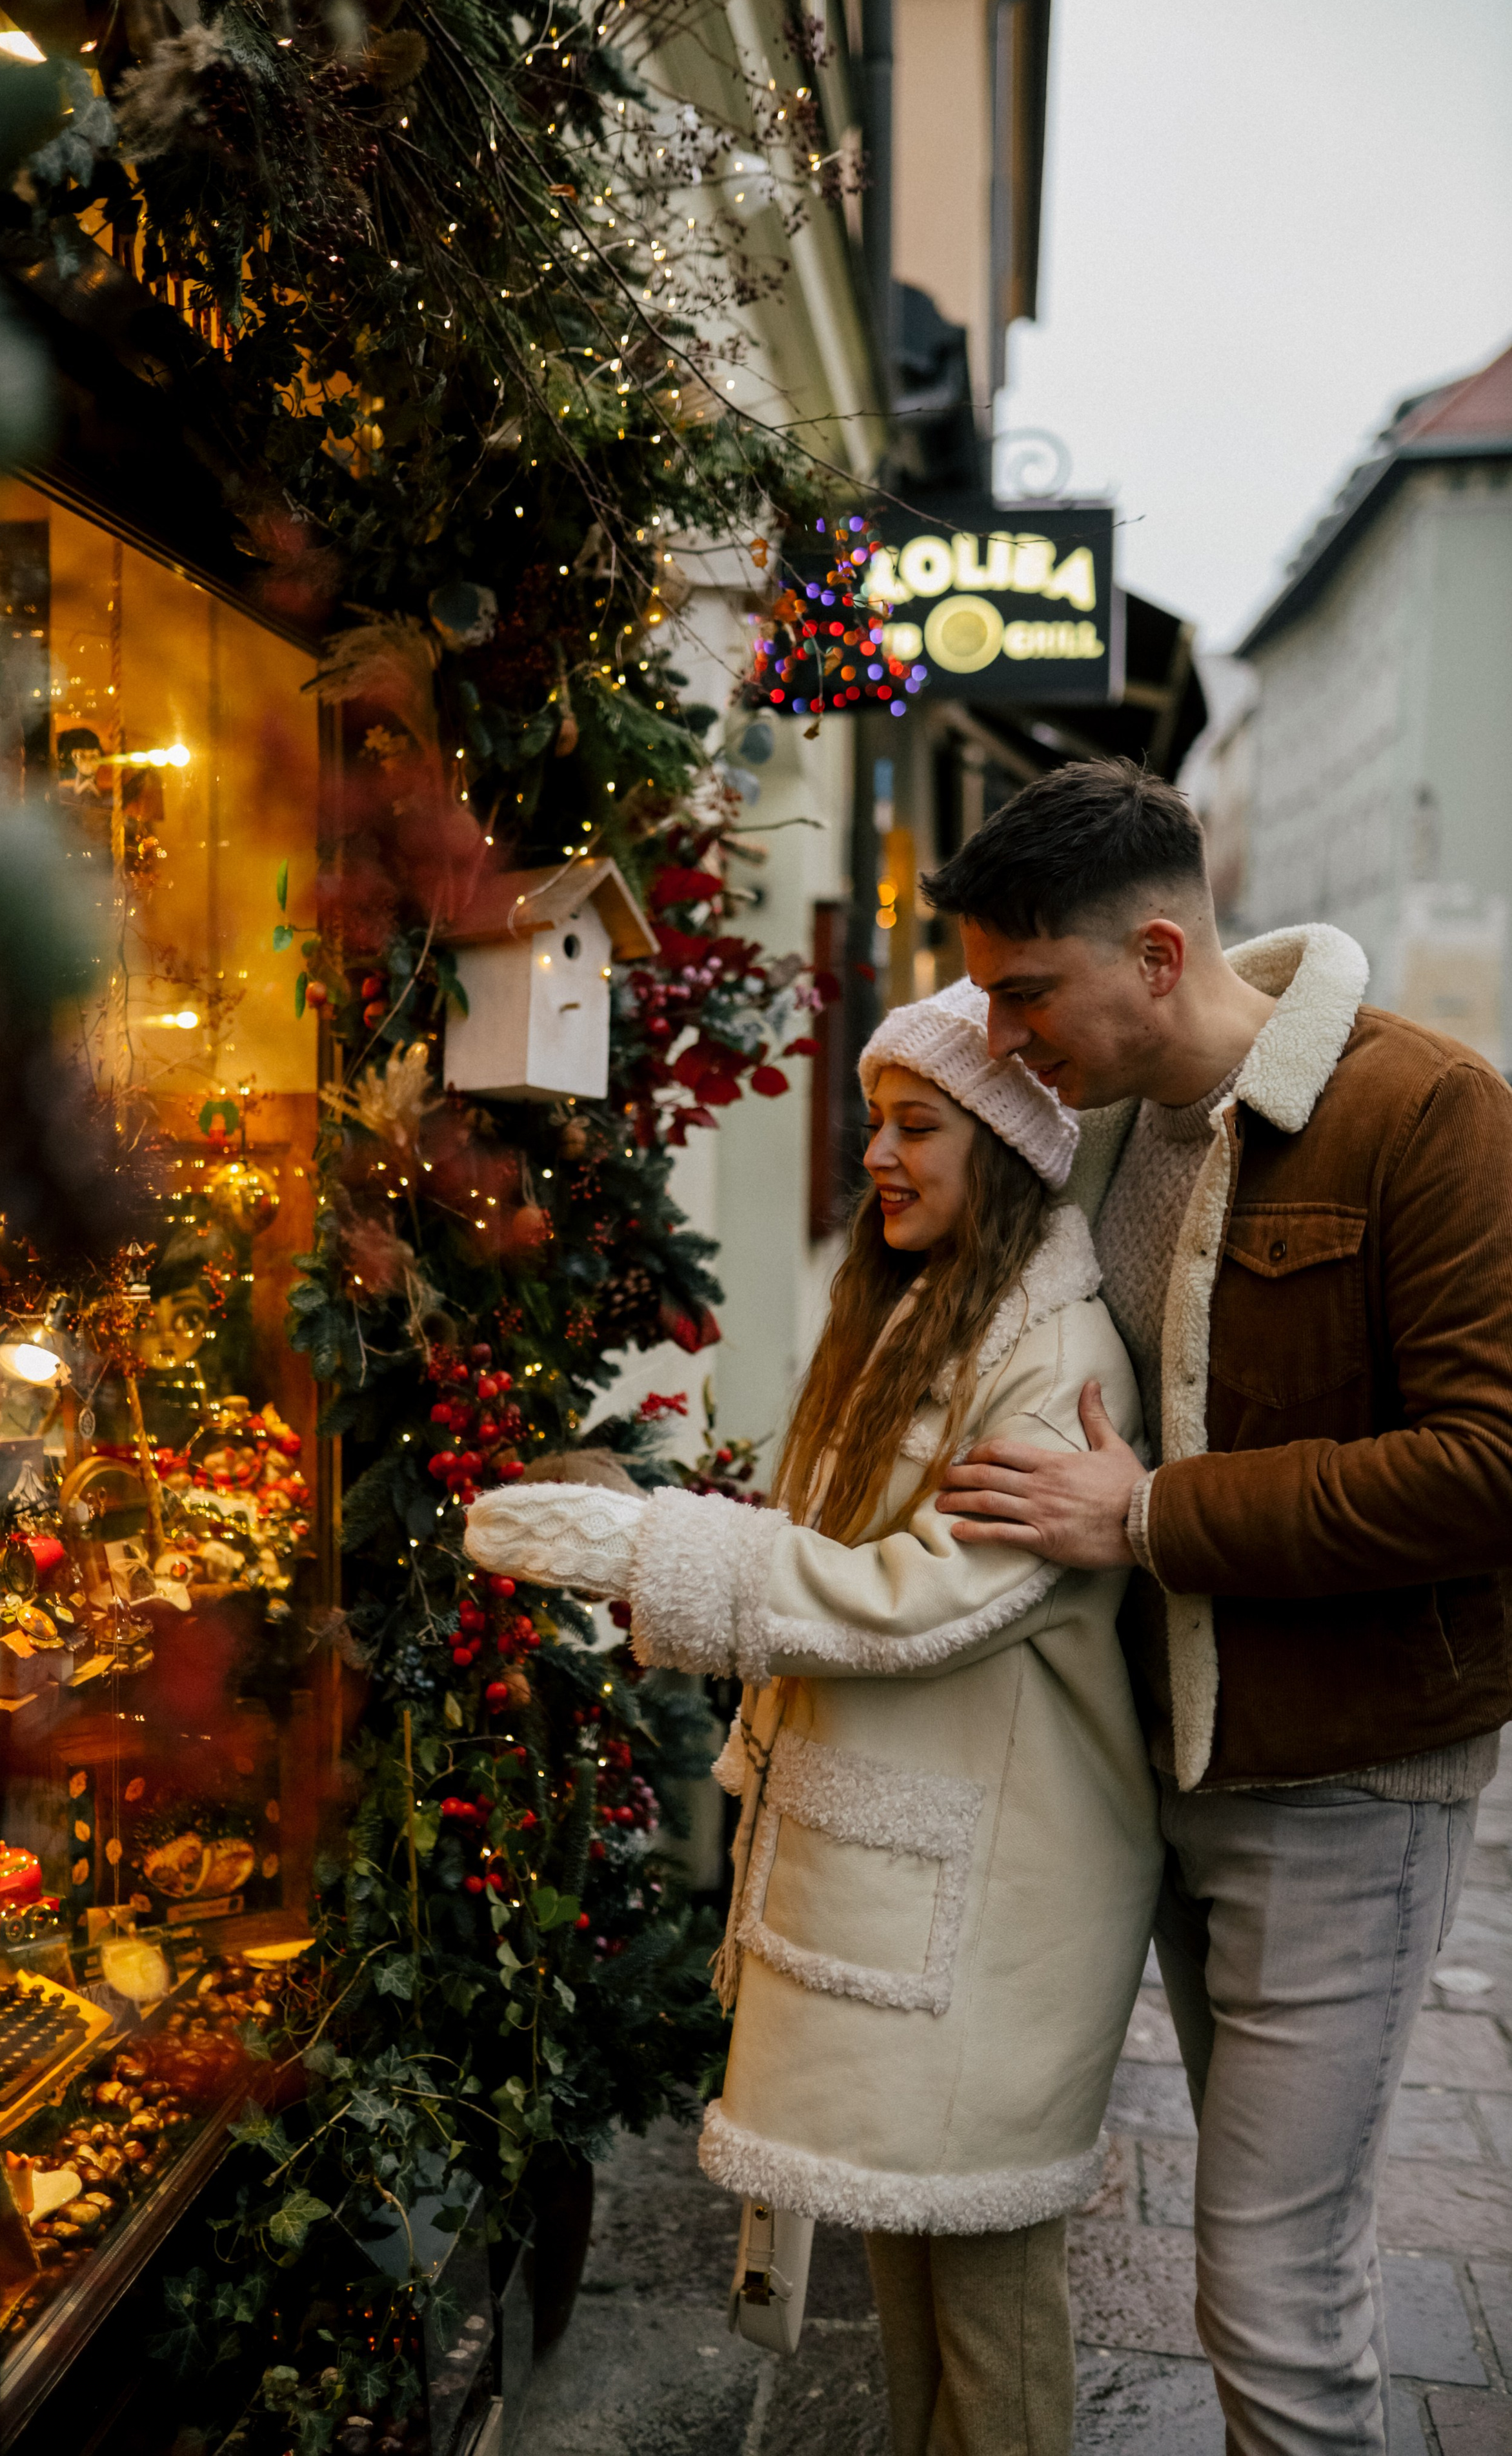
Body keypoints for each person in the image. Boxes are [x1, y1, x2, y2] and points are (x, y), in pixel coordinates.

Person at [463, 981, 1162, 2456]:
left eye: (916, 1127)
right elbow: (833, 1545)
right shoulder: (920, 1311)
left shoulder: (1058, 1357)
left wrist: (649, 1551)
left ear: (1009, 1144)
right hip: (904, 1883)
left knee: (986, 2308)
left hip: (997, 1904)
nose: (879, 1158)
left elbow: (916, 1599)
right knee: (908, 2277)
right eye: (872, 1126)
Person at [927, 758, 1512, 2456]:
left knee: (1273, 2277)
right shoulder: (1100, 1133)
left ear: (1161, 955)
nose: (1007, 1033)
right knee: (1253, 2255)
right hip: (1156, 1771)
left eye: (1029, 992)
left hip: (1346, 1781)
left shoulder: (1425, 1112)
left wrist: (1157, 1515)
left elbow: (1489, 1465)